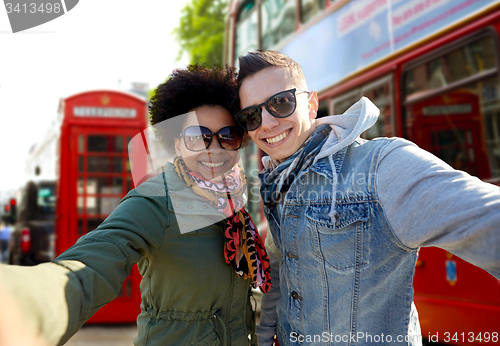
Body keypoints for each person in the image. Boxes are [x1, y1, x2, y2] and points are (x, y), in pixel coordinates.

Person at [234, 50, 500, 346]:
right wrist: (264, 334)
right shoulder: (278, 182)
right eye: (252, 115)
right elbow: (280, 276)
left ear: (311, 105)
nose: (267, 123)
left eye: (281, 103)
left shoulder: (380, 165)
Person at [0, 64, 271, 346]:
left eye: (227, 136)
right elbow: (95, 259)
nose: (213, 148)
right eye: (197, 136)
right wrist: (23, 304)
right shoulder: (155, 200)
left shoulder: (234, 200)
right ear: (178, 144)